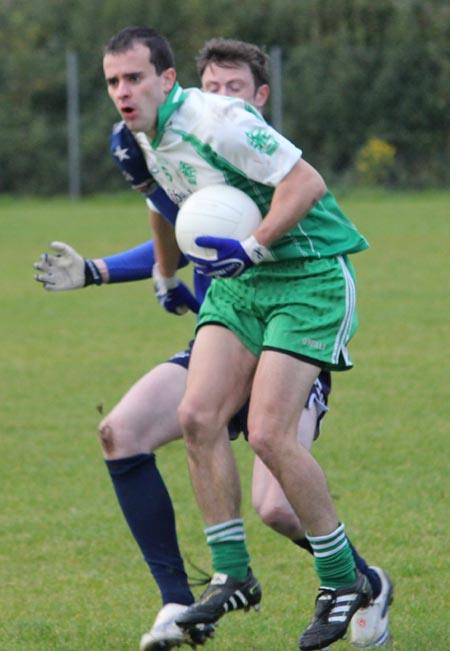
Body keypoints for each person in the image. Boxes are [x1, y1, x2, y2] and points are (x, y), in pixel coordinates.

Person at [35, 37, 391, 650]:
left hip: (306, 276)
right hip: (238, 287)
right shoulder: (138, 138)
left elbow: (307, 183)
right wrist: (151, 272)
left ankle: (346, 582)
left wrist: (251, 247)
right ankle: (230, 572)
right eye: (113, 81)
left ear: (167, 78)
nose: (123, 92)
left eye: (134, 78)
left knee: (268, 436)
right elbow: (174, 213)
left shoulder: (219, 121)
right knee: (195, 416)